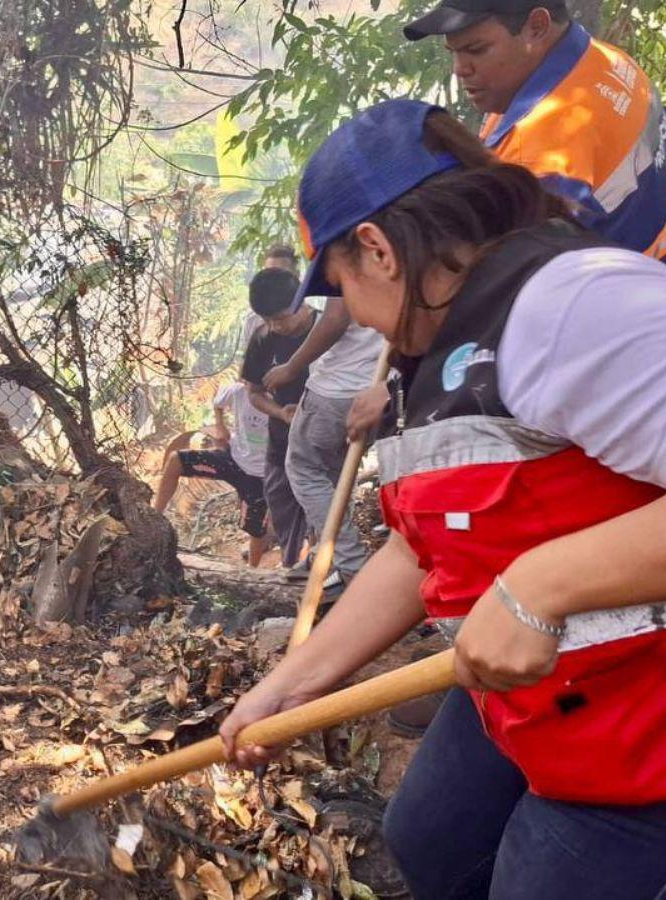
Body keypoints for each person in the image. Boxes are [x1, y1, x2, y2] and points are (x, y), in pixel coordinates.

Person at [221, 98, 666, 898]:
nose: (349, 312)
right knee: (427, 839)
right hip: (521, 691)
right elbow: (417, 547)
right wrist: (287, 688)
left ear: (378, 249)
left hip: (636, 732)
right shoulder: (438, 347)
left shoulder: (575, 309)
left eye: (342, 286)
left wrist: (543, 585)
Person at [348, 0, 666, 442]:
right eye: (454, 52)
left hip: (615, 345)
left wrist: (397, 390)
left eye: (476, 50)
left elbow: (491, 306)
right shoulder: (607, 62)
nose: (461, 69)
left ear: (536, 26)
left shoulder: (541, 151)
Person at [261, 288, 384, 592]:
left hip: (337, 385)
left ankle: (350, 562)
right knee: (333, 474)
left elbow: (336, 316)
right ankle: (324, 556)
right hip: (377, 386)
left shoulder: (347, 244)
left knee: (303, 468)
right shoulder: (405, 250)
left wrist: (291, 367)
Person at [154, 363, 274, 567]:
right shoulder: (237, 391)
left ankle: (251, 572)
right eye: (246, 382)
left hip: (259, 475)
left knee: (255, 528)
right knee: (176, 460)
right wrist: (220, 426)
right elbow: (218, 401)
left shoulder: (281, 403)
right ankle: (154, 518)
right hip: (232, 457)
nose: (249, 387)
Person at [240, 268, 314, 569]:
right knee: (281, 503)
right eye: (268, 320)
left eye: (281, 318)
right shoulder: (263, 338)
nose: (275, 326)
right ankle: (289, 566)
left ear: (301, 301)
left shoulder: (327, 329)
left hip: (321, 442)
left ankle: (321, 566)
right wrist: (280, 412)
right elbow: (254, 393)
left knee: (318, 504)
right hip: (280, 439)